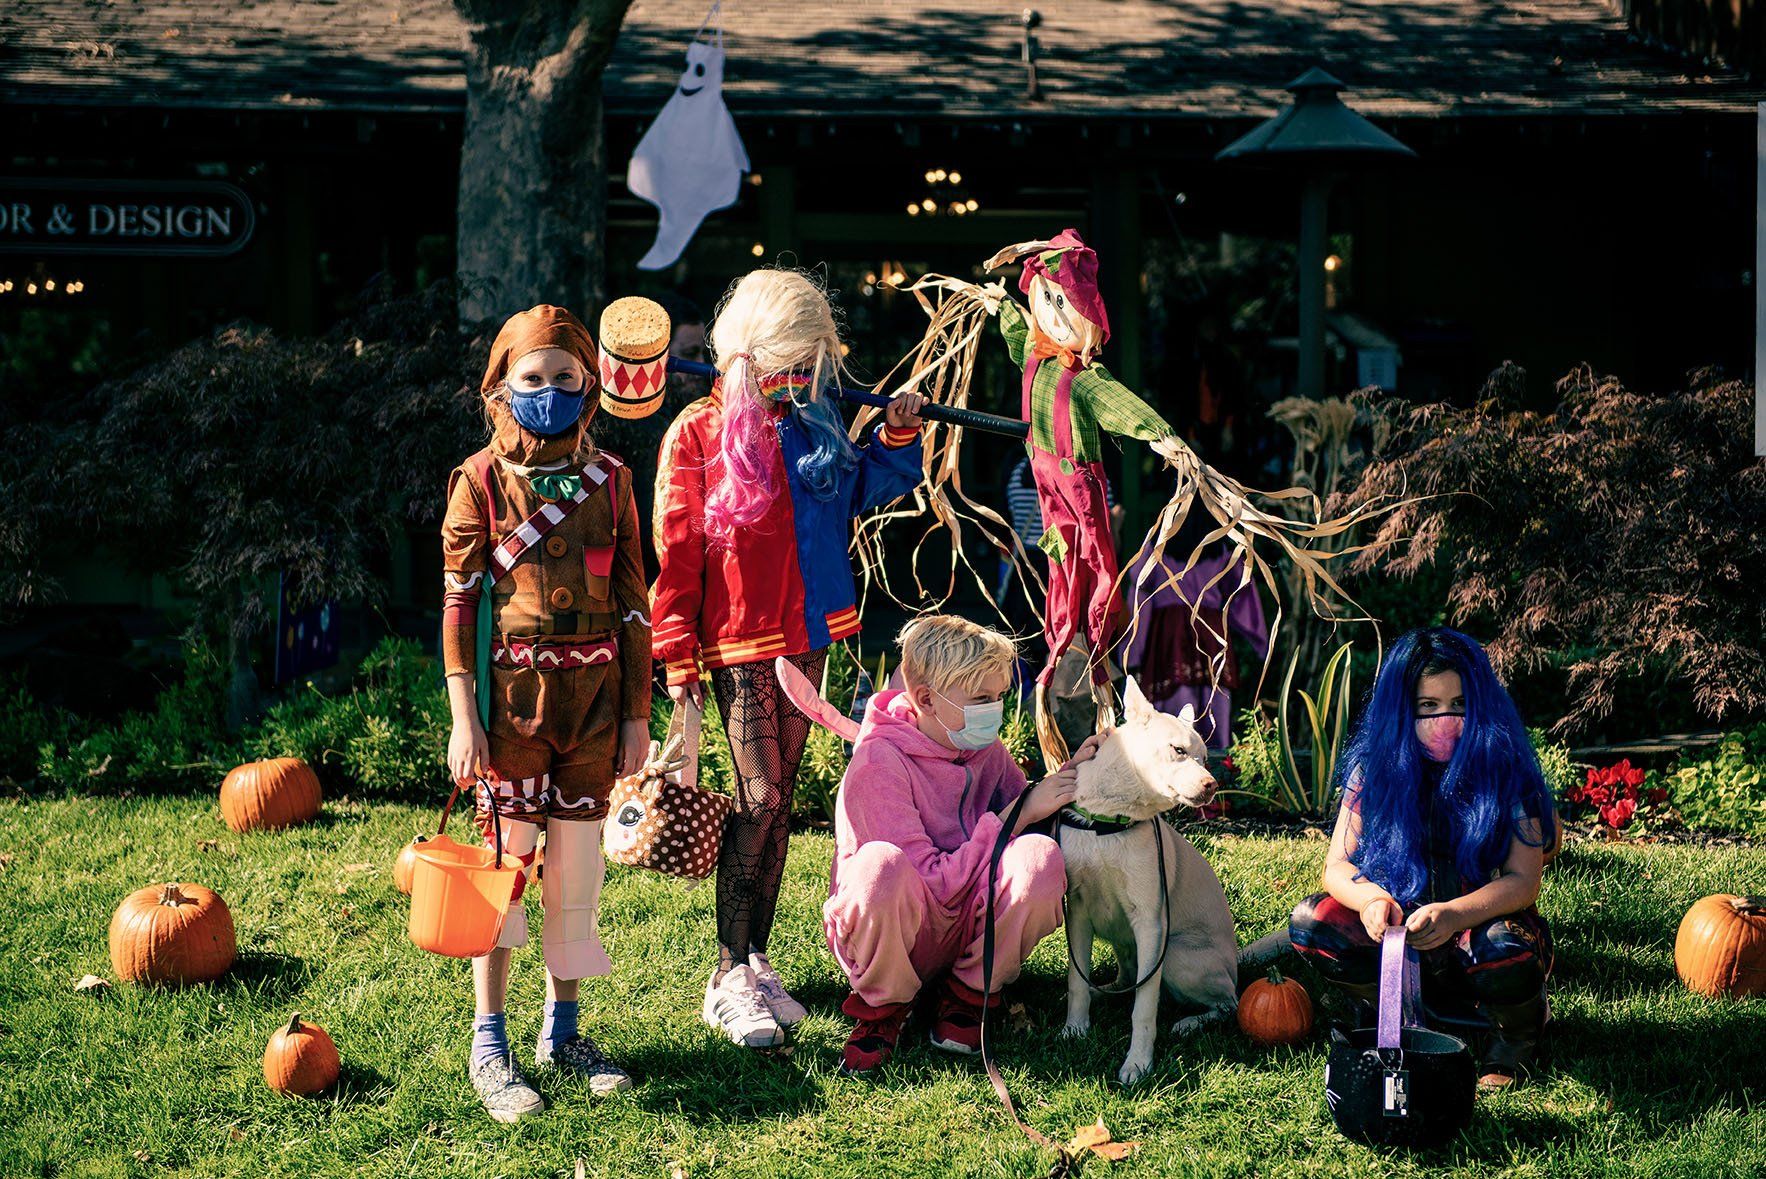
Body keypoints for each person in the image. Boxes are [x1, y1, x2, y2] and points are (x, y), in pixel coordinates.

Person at [650, 268, 926, 1049]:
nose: (802, 377)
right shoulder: (698, 433)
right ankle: (727, 972)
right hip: (739, 643)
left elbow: (864, 487)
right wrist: (676, 663)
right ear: (749, 349)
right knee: (761, 799)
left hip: (810, 635)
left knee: (780, 810)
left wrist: (895, 432)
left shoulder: (817, 422)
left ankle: (756, 959)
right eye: (789, 361)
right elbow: (675, 560)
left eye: (814, 362)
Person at [440, 305, 652, 1121]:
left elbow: (634, 604)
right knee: (503, 874)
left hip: (593, 709)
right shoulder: (479, 481)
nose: (550, 392)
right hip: (510, 715)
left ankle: (562, 1031)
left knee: (575, 874)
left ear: (591, 386)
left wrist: (636, 714)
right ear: (501, 385)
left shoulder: (617, 482)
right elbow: (459, 605)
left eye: (566, 377)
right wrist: (465, 718)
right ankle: (488, 1040)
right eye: (533, 378)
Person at [824, 615, 1101, 1076]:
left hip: (968, 932)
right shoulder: (879, 761)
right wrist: (1018, 814)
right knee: (879, 868)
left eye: (998, 697)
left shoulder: (985, 750)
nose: (993, 710)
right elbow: (933, 879)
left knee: (1040, 860)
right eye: (981, 700)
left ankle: (971, 996)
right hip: (899, 932)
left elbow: (1025, 816)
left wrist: (1078, 776)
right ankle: (883, 1006)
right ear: (927, 699)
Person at [1288, 627, 1558, 1090]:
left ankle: (1517, 1033)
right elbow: (1337, 866)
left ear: (1481, 704)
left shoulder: (1508, 771)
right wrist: (1371, 900)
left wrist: (1455, 914)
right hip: (1398, 936)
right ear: (1400, 710)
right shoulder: (1371, 770)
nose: (1444, 719)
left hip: (1477, 929)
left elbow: (1523, 880)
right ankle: (1383, 1008)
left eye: (1458, 704)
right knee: (1314, 921)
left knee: (1505, 950)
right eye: (1427, 707)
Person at [1118, 509, 1268, 749]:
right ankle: (1219, 765)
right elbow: (1242, 595)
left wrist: (1132, 652)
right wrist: (1261, 642)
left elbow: (1140, 596)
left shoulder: (1157, 551)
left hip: (1170, 637)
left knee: (1177, 706)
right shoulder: (1222, 552)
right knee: (1214, 704)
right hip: (1211, 633)